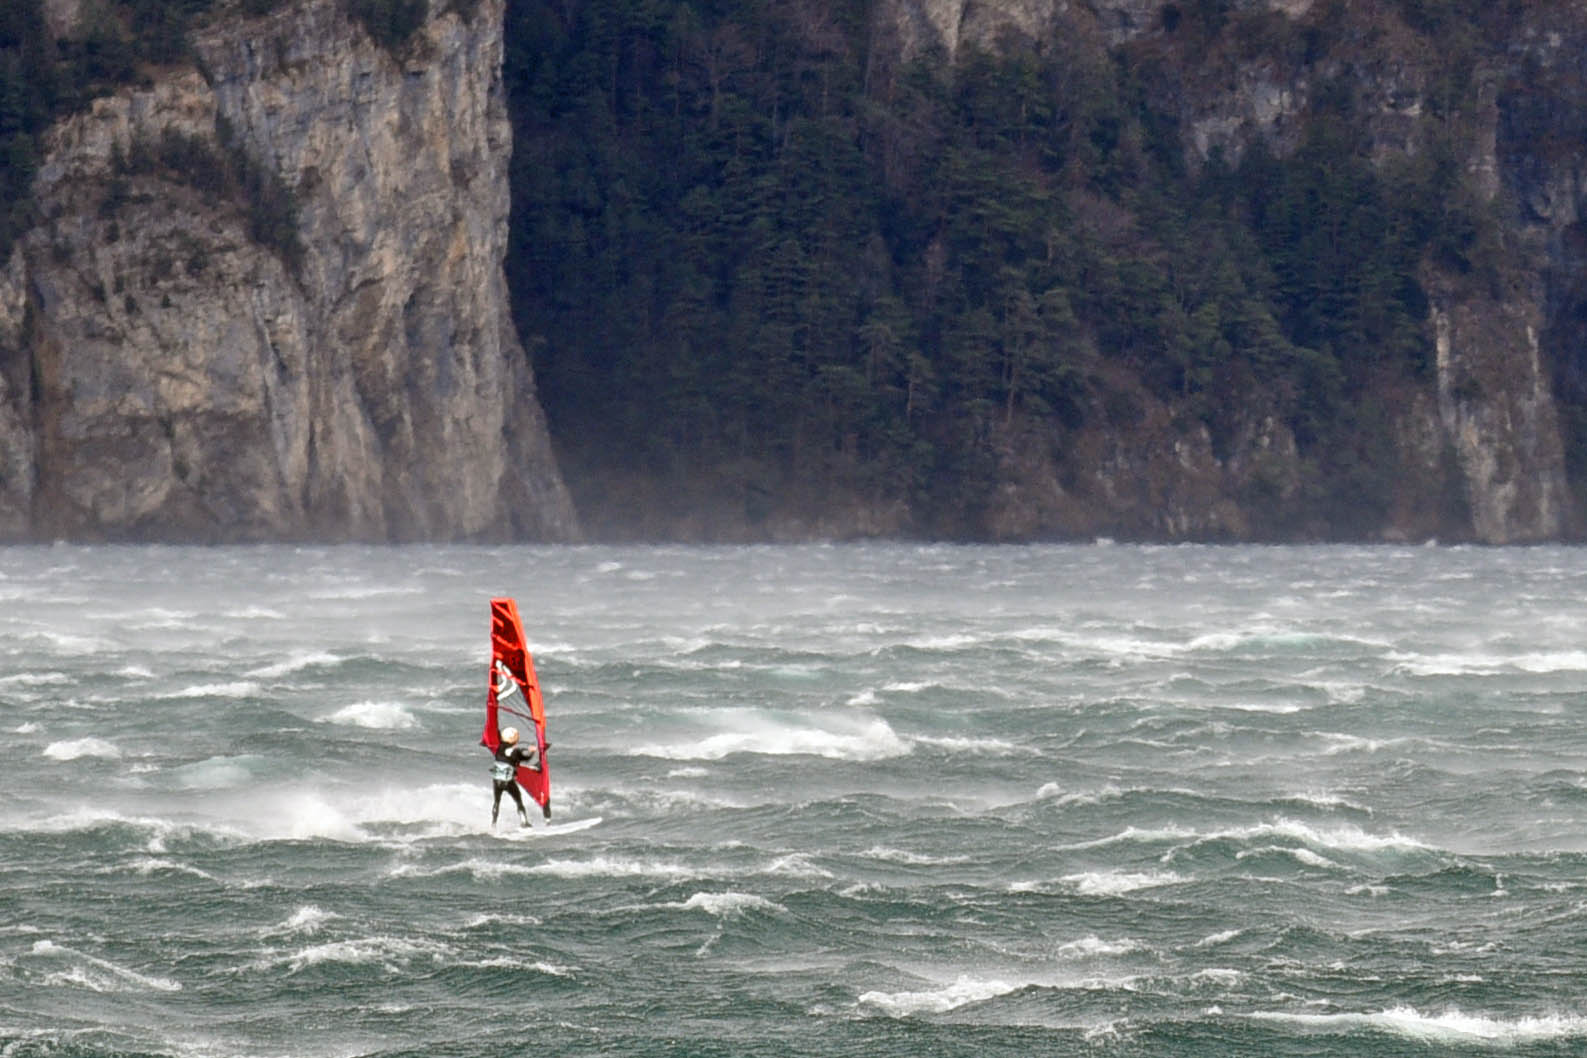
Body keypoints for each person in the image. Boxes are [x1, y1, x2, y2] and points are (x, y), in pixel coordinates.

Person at [490, 726, 541, 827]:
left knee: (496, 801)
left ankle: (493, 824)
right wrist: (532, 751)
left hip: (497, 780)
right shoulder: (516, 751)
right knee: (518, 800)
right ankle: (524, 821)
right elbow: (525, 757)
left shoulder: (499, 748)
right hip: (508, 781)